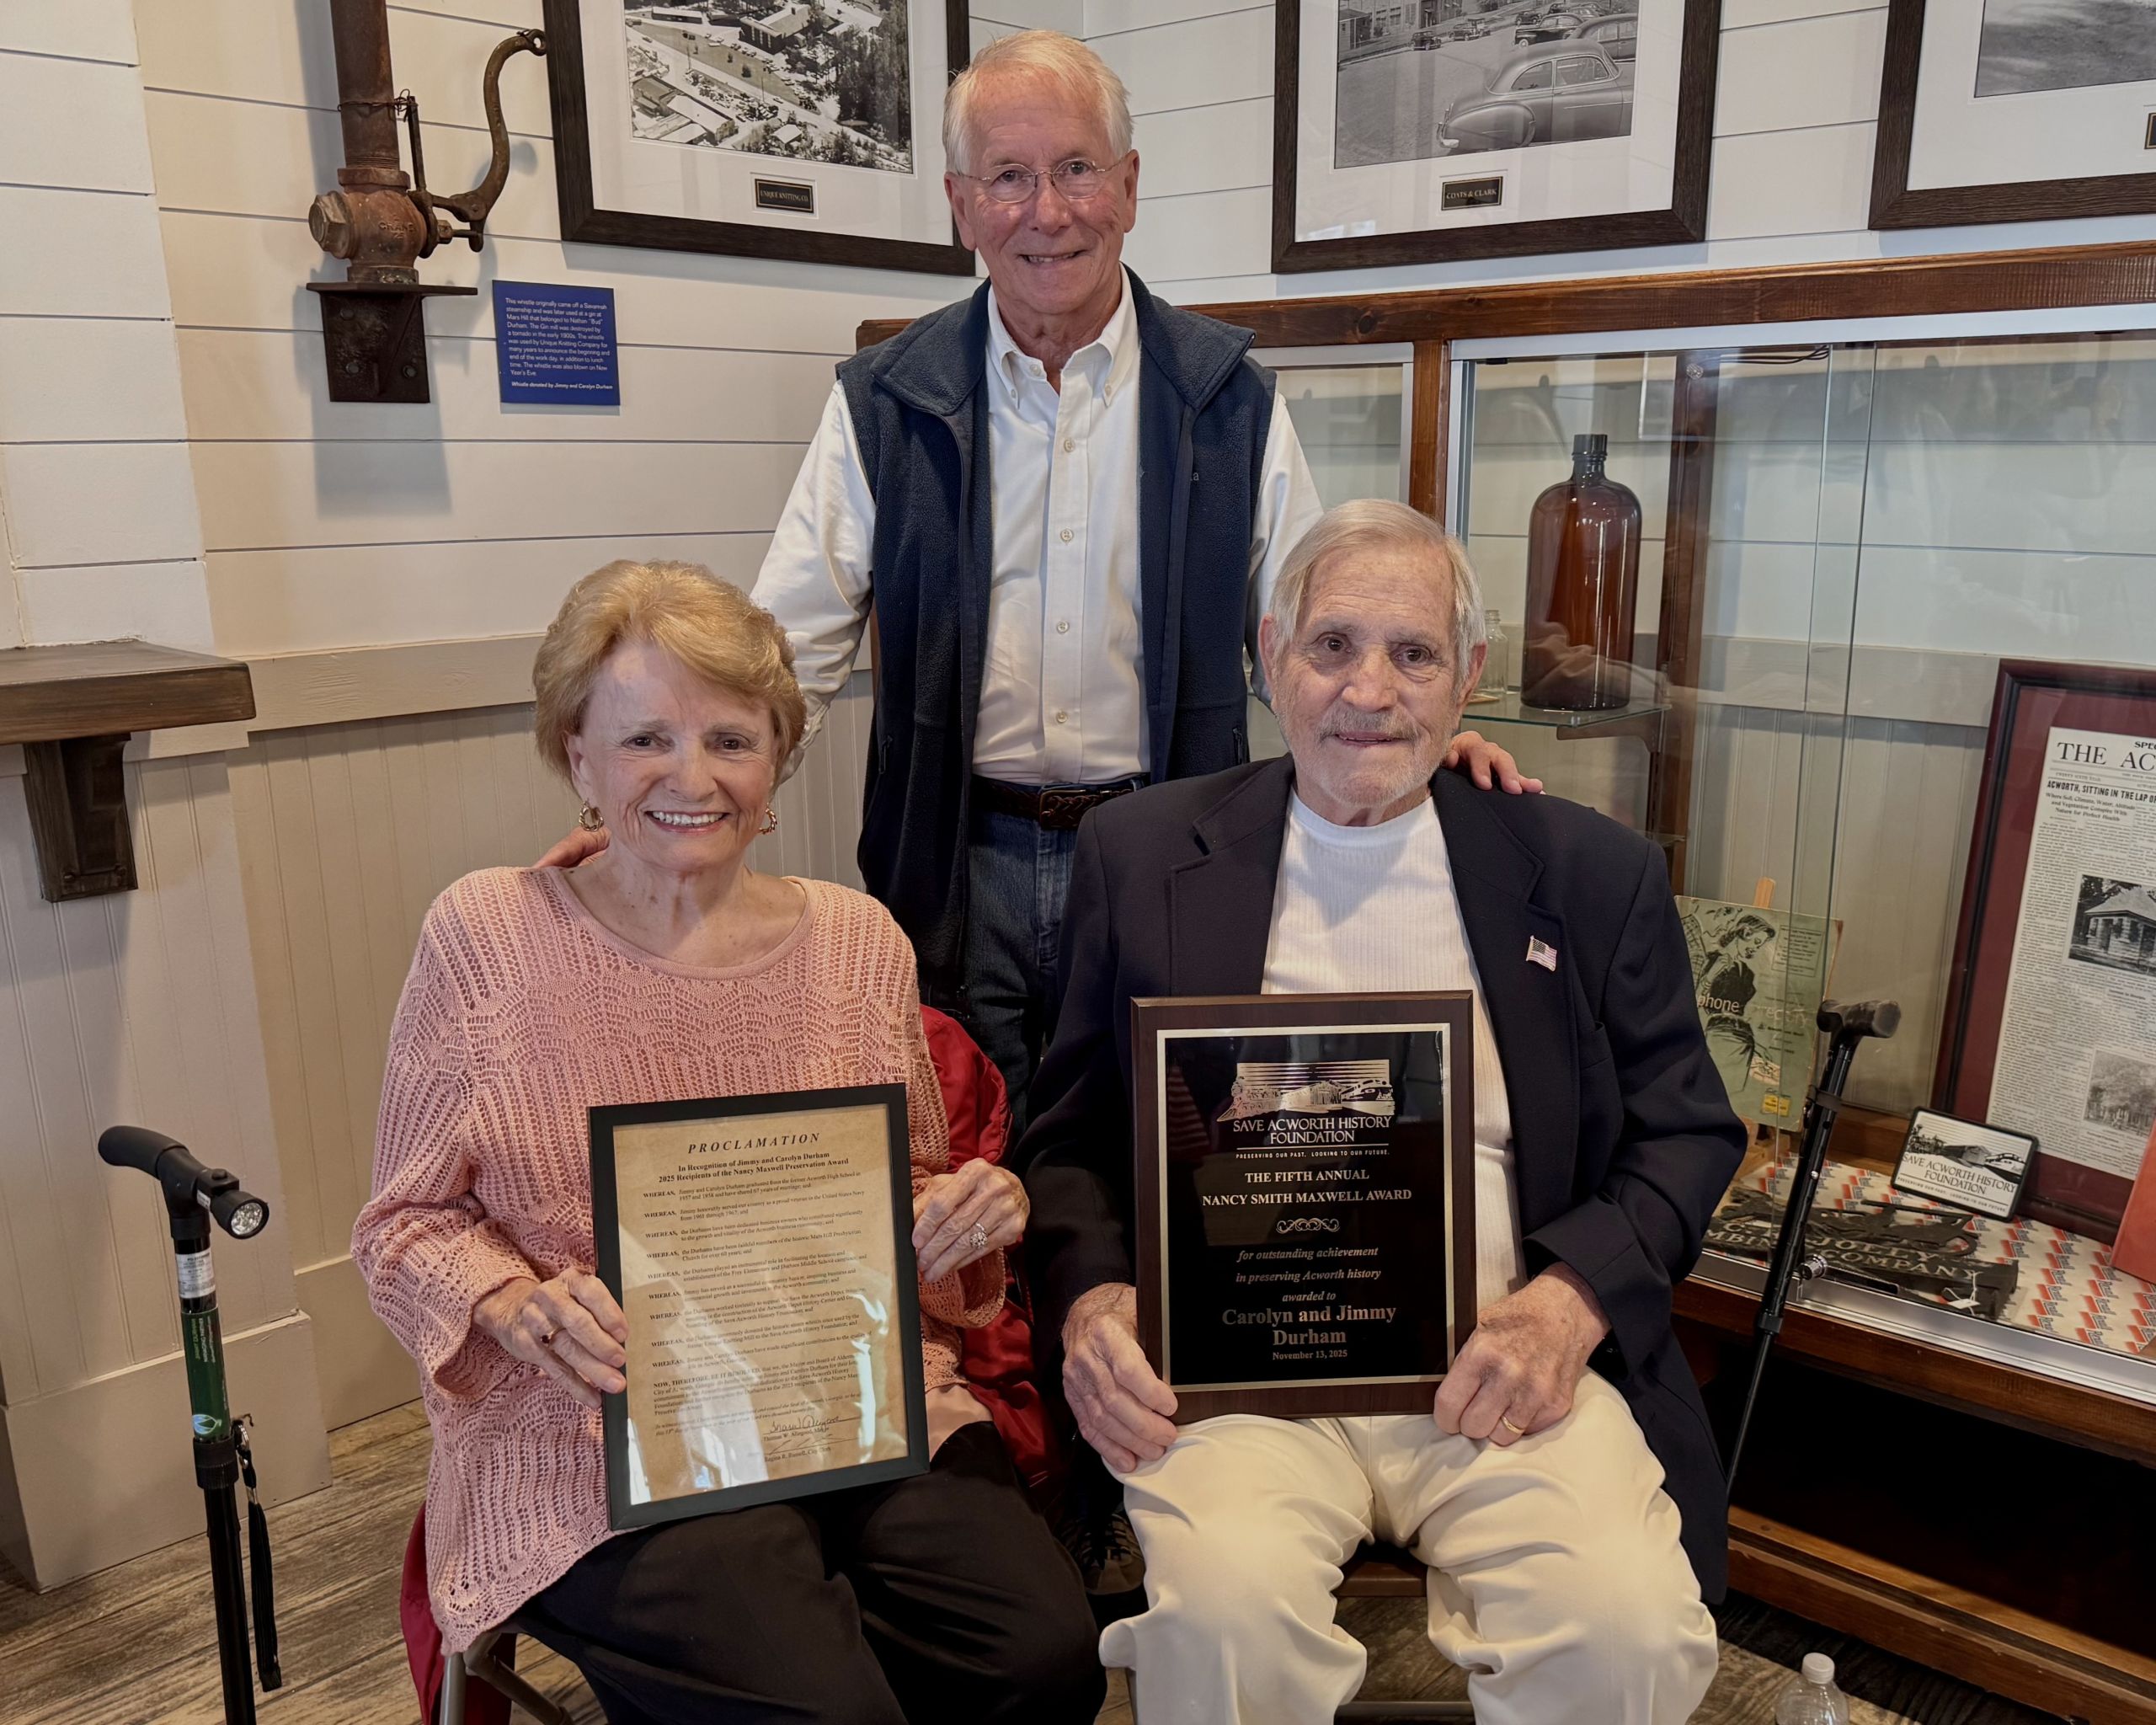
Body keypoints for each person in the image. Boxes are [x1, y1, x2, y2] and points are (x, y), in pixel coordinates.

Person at [543, 29, 1534, 1140]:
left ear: (1127, 187)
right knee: (965, 1150)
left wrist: (1419, 736)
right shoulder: (885, 401)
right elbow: (782, 655)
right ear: (965, 207)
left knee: (1173, 1147)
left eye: (1073, 169)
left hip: (1170, 847)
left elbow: (1317, 627)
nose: (1046, 211)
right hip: (957, 860)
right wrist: (677, 799)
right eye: (1008, 178)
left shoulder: (1227, 398)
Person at [1016, 502, 1748, 1725]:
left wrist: (1567, 1305)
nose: (1370, 690)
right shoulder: (1142, 855)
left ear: (1467, 678)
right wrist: (1094, 1299)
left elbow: (1688, 1136)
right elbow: (1071, 1139)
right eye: (1333, 645)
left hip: (1503, 1371)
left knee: (1629, 1632)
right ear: (1268, 657)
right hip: (1241, 1386)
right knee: (1223, 1618)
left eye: (1413, 655)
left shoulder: (1582, 871)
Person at [355, 560, 1102, 1725]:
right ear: (577, 758)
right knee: (821, 1706)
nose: (691, 778)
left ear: (777, 762)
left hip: (848, 1403)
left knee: (1045, 1654)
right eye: (646, 737)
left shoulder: (861, 944)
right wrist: (510, 1303)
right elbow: (402, 1226)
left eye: (731, 740)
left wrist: (970, 1211)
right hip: (595, 1436)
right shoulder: (488, 938)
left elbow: (902, 1190)